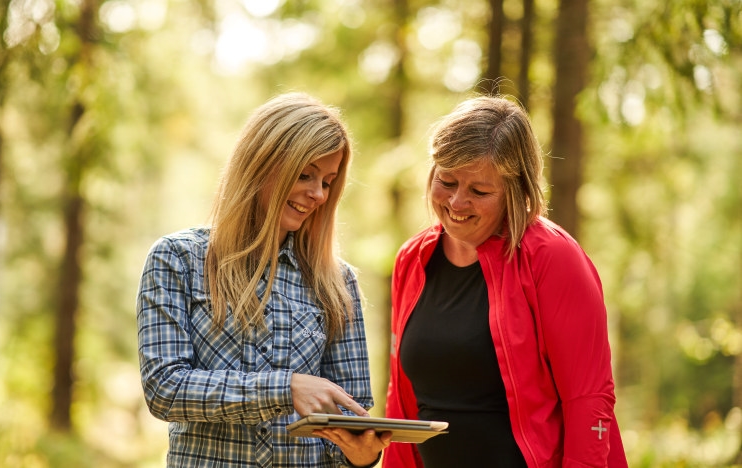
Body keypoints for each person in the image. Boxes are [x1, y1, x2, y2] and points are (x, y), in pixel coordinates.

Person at [137, 92, 391, 468]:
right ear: (260, 165)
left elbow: (348, 428)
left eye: (327, 181)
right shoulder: (177, 258)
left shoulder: (338, 282)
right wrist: (285, 388)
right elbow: (165, 390)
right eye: (304, 174)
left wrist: (363, 456)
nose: (318, 194)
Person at [383, 95, 628, 467]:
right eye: (446, 181)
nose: (456, 202)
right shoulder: (412, 260)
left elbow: (588, 398)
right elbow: (399, 400)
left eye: (479, 191)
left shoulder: (553, 258)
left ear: (517, 191)